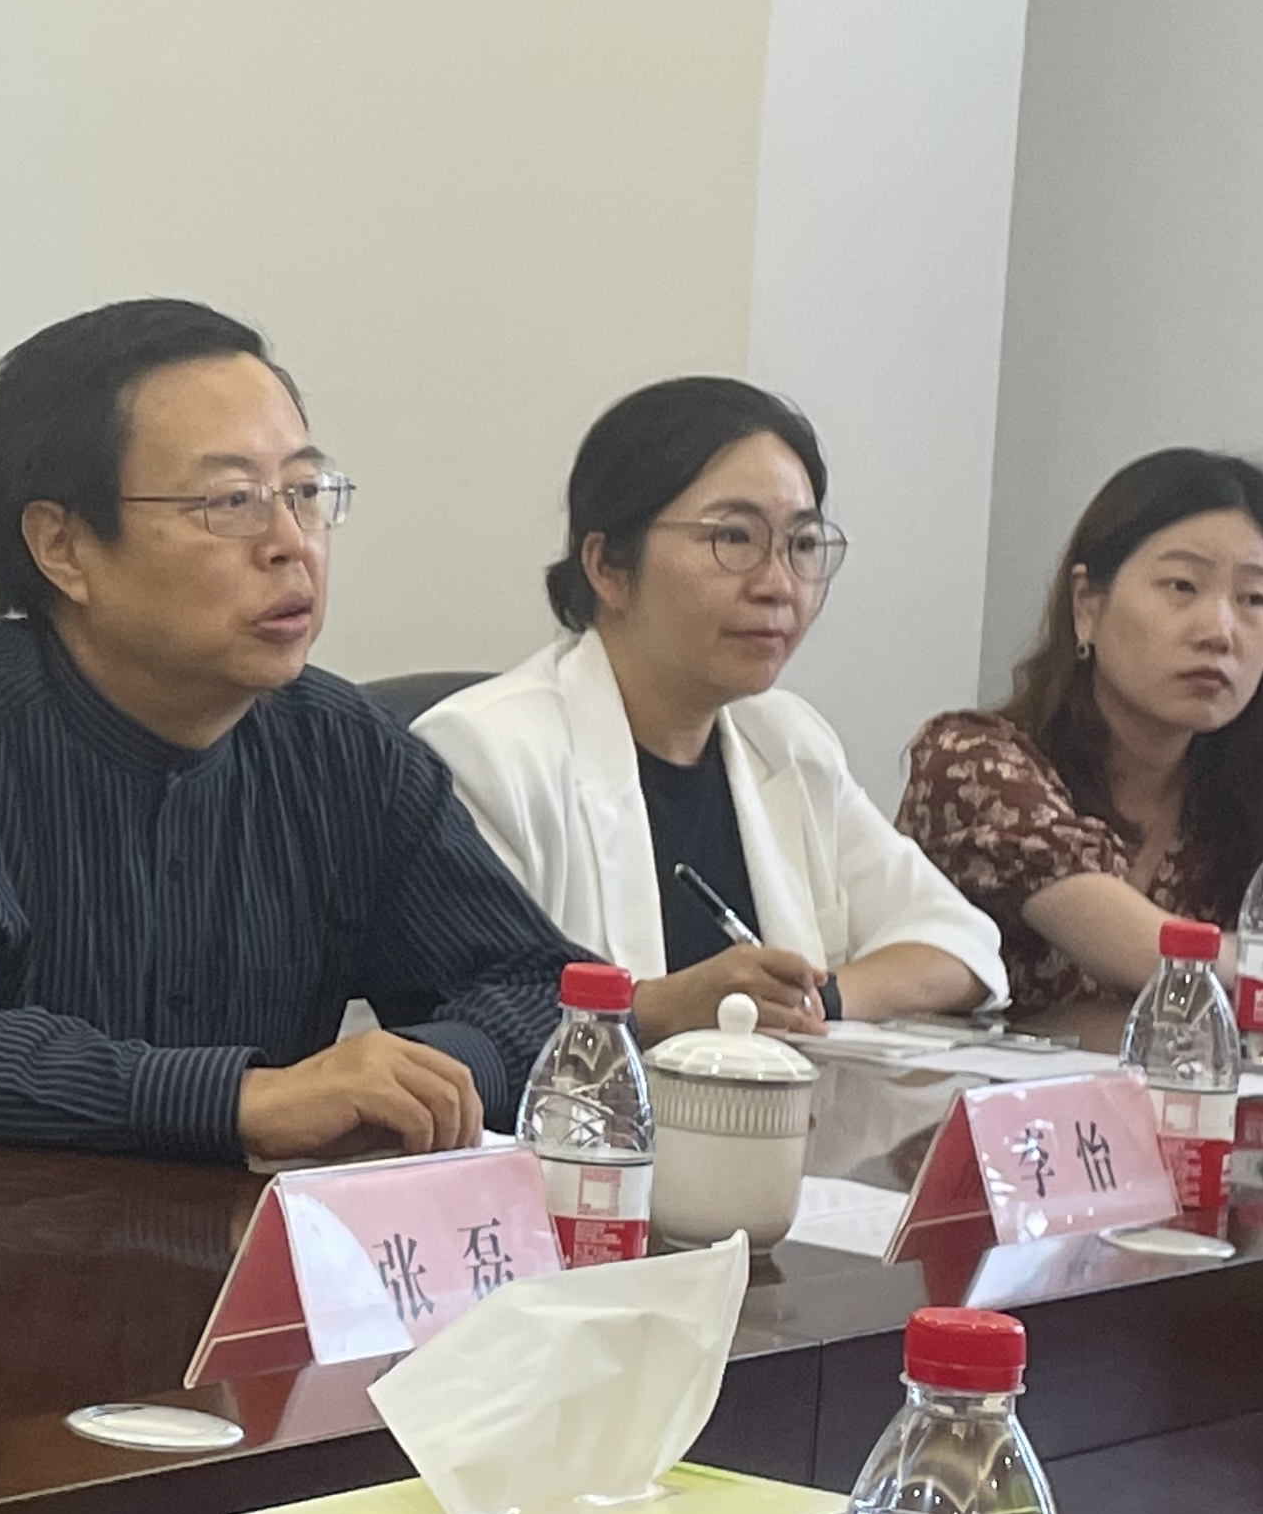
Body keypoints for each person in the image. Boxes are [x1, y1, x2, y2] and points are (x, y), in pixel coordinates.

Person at [0, 299, 578, 1164]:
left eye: (305, 493)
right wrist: (233, 1099)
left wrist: (427, 1073)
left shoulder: (346, 748)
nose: (291, 543)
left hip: (252, 1242)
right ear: (63, 547)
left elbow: (540, 994)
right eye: (231, 502)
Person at [423, 377, 1002, 1036]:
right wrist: (673, 1008)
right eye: (734, 538)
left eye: (802, 545)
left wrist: (812, 1002)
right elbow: (467, 1021)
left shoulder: (787, 740)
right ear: (608, 567)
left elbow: (962, 944)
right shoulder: (486, 754)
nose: (778, 585)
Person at [898, 447, 1263, 1013]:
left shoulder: (1249, 806)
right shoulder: (973, 764)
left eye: (1254, 598)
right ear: (1087, 605)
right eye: (1182, 586)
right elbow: (1151, 954)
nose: (1219, 631)